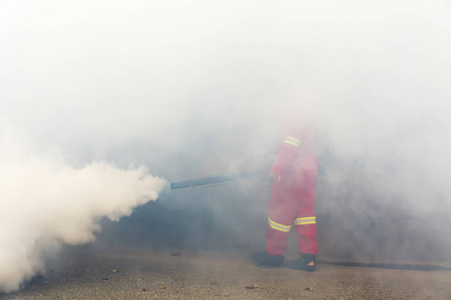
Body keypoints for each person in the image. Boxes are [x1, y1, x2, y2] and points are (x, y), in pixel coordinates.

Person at [252, 108, 319, 272]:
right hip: (309, 170)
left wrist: (278, 166)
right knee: (305, 214)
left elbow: (291, 142)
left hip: (292, 171)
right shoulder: (309, 114)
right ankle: (308, 259)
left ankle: (274, 255)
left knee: (279, 212)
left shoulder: (295, 114)